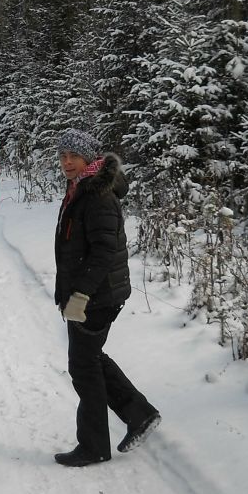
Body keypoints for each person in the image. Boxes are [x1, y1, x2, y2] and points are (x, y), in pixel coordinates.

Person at [52, 127, 160, 467]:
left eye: (74, 156)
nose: (67, 162)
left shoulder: (97, 195)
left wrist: (81, 294)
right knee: (91, 358)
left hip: (97, 296)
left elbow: (103, 251)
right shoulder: (81, 187)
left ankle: (94, 446)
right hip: (93, 292)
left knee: (83, 367)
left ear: (89, 158)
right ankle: (139, 414)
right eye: (63, 156)